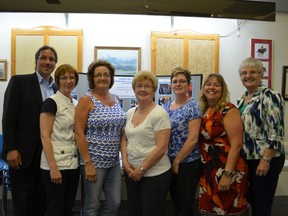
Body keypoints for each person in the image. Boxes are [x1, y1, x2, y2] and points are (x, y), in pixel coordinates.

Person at [2, 45, 58, 216]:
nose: (47, 62)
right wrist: (10, 148)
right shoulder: (19, 82)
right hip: (22, 154)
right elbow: (9, 117)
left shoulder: (57, 88)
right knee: (23, 202)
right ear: (36, 61)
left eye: (51, 59)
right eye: (44, 58)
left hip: (46, 155)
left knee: (41, 201)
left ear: (55, 63)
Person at [75, 60, 126, 216]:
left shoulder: (116, 99)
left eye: (106, 75)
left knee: (115, 202)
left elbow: (120, 131)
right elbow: (78, 132)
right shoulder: (86, 100)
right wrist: (88, 163)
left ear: (111, 78)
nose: (103, 78)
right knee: (92, 205)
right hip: (94, 162)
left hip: (114, 162)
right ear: (92, 78)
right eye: (98, 75)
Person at [237, 57, 285, 216]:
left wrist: (266, 159)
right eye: (244, 73)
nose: (247, 76)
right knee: (251, 199)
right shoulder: (242, 99)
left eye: (252, 72)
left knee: (261, 204)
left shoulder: (269, 95)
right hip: (248, 158)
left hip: (265, 158)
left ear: (261, 74)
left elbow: (276, 130)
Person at [120, 71, 172, 216]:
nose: (143, 89)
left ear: (154, 90)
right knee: (134, 211)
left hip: (154, 174)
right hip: (131, 172)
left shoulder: (160, 114)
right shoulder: (130, 112)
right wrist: (125, 162)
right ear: (134, 89)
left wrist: (142, 169)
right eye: (139, 86)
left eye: (147, 86)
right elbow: (124, 138)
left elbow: (162, 147)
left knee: (151, 212)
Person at [199, 73, 249, 215]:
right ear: (203, 88)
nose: (212, 87)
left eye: (216, 84)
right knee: (210, 209)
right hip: (209, 170)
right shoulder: (204, 110)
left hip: (227, 169)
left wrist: (227, 174)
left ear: (222, 89)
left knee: (227, 209)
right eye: (208, 84)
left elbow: (237, 144)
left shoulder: (229, 110)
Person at [40, 64, 80, 216]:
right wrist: (53, 168)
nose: (68, 81)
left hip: (72, 163)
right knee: (55, 209)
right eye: (64, 78)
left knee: (67, 207)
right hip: (56, 163)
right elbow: (45, 136)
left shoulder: (75, 103)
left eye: (71, 78)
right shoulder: (51, 102)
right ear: (57, 81)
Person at [163, 67, 202, 216]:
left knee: (184, 207)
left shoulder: (193, 107)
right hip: (169, 162)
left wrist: (177, 160)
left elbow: (193, 139)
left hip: (187, 163)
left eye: (182, 81)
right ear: (171, 85)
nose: (178, 84)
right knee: (176, 204)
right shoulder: (166, 107)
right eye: (175, 81)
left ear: (188, 85)